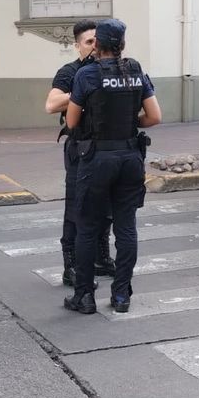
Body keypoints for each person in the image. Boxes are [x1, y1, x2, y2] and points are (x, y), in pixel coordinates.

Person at [64, 18, 162, 314]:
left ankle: (84, 296)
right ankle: (121, 295)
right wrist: (131, 124)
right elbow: (154, 116)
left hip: (97, 160)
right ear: (122, 45)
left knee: (87, 228)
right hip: (131, 158)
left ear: (98, 45)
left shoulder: (87, 75)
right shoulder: (135, 70)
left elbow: (71, 122)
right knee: (126, 227)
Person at [44, 20, 115, 287]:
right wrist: (82, 89)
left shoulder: (113, 68)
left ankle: (100, 257)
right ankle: (70, 266)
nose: (95, 46)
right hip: (80, 149)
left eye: (98, 41)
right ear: (77, 46)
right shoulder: (70, 71)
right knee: (76, 208)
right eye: (88, 42)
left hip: (108, 148)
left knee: (106, 206)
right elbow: (51, 104)